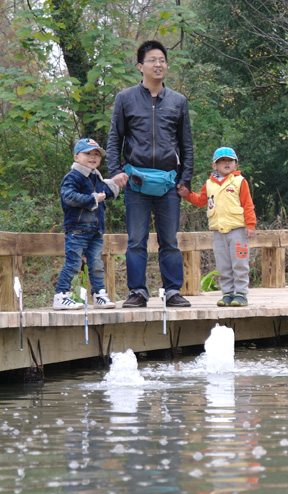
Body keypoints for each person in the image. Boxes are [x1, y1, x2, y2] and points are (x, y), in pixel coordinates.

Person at [106, 39, 194, 308]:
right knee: (136, 241)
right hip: (135, 182)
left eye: (162, 60)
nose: (159, 64)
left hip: (168, 182)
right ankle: (137, 292)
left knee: (169, 240)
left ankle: (172, 291)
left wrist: (185, 180)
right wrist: (115, 172)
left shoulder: (178, 101)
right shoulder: (125, 98)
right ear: (140, 66)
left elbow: (186, 144)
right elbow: (114, 139)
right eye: (153, 60)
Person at [177, 147, 256, 306]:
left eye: (230, 161)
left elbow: (248, 204)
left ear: (235, 164)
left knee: (239, 263)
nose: (226, 163)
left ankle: (241, 294)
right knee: (223, 264)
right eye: (222, 161)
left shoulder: (240, 181)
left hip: (238, 231)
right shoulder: (209, 184)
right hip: (219, 232)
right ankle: (227, 294)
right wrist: (187, 194)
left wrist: (251, 225)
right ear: (215, 165)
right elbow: (201, 201)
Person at [53, 138, 119, 310]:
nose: (93, 157)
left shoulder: (95, 177)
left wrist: (115, 186)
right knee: (73, 263)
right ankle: (61, 295)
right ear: (76, 157)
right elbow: (68, 196)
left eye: (96, 154)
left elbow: (104, 193)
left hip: (95, 230)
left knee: (97, 264)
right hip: (77, 229)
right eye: (88, 154)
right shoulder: (74, 176)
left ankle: (99, 295)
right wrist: (93, 199)